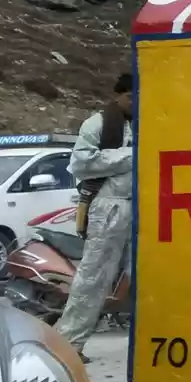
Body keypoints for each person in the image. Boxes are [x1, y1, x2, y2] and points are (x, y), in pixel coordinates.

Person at [55, 73, 134, 361]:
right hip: (110, 207)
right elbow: (82, 163)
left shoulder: (152, 123)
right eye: (131, 97)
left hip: (145, 206)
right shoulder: (98, 124)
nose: (136, 102)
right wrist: (132, 155)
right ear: (118, 95)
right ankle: (69, 344)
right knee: (94, 278)